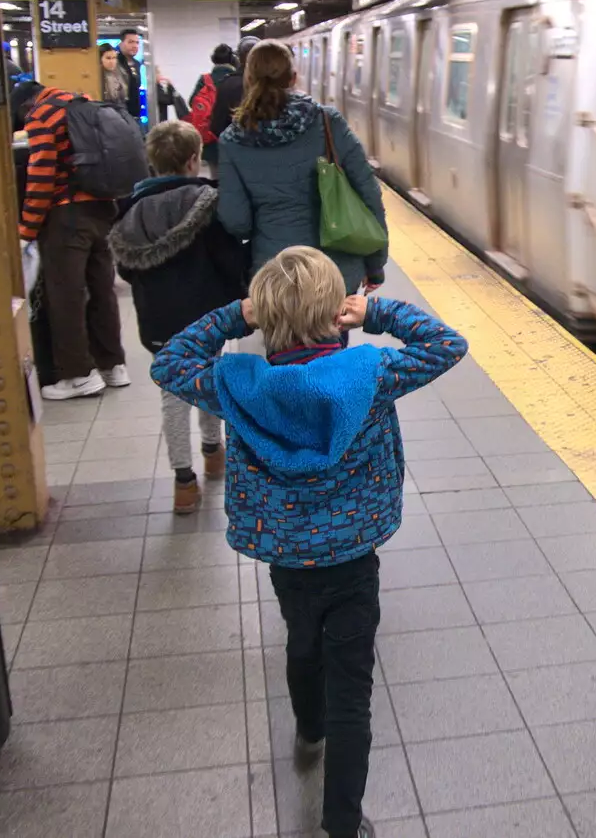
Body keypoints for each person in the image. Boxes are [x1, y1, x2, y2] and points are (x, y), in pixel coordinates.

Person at [150, 245, 467, 838]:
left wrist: (235, 315)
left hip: (287, 556)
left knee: (301, 640)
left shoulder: (235, 385)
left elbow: (169, 361)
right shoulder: (371, 375)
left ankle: (307, 728)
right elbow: (448, 344)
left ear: (264, 317)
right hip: (353, 558)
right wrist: (376, 315)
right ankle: (342, 824)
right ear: (336, 315)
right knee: (354, 689)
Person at [109, 121, 248, 513]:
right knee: (208, 378)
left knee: (173, 395)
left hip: (157, 321)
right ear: (194, 159)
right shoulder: (208, 202)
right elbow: (228, 260)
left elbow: (126, 269)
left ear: (151, 162)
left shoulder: (130, 210)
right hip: (207, 315)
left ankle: (184, 483)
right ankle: (213, 450)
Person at [218, 41, 387, 298]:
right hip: (335, 269)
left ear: (247, 79)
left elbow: (236, 221)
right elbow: (369, 194)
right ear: (293, 78)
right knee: (332, 334)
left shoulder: (232, 139)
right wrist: (375, 264)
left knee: (282, 336)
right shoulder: (328, 122)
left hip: (275, 271)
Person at [12, 78, 131, 400]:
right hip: (103, 209)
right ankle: (113, 364)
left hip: (67, 217)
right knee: (102, 289)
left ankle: (78, 374)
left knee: (66, 295)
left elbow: (41, 175)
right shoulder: (85, 104)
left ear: (25, 105)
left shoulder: (42, 115)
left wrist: (26, 230)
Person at [188, 43, 239, 173]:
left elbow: (192, 102)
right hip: (235, 136)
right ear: (233, 60)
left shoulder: (205, 80)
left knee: (215, 173)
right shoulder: (237, 79)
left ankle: (215, 193)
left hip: (210, 135)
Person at [210, 35, 258, 145]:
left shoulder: (227, 84)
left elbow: (216, 126)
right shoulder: (272, 84)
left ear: (238, 59)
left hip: (234, 150)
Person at [117, 27, 145, 124]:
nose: (135, 46)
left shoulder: (137, 63)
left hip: (135, 115)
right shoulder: (115, 62)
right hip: (119, 116)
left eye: (137, 43)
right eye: (131, 42)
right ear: (121, 44)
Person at [99, 43, 131, 110]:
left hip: (121, 109)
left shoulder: (122, 73)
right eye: (108, 58)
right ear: (100, 59)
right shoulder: (97, 77)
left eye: (114, 58)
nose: (112, 61)